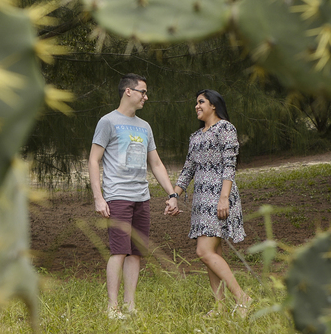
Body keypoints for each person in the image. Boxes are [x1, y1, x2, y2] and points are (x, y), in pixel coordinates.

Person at [89, 73, 178, 319]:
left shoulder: (145, 126)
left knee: (136, 252)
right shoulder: (107, 122)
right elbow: (94, 160)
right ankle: (112, 307)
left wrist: (171, 194)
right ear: (128, 91)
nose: (146, 97)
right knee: (119, 250)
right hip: (117, 196)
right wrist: (99, 197)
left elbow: (157, 163)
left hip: (142, 196)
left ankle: (130, 306)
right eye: (143, 92)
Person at [168, 89, 251, 317]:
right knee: (213, 254)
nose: (196, 106)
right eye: (195, 103)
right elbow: (188, 170)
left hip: (219, 197)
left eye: (201, 102)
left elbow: (229, 166)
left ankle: (242, 298)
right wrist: (174, 195)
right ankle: (220, 307)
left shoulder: (225, 128)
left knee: (203, 251)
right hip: (201, 201)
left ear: (213, 105)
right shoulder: (195, 137)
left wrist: (224, 198)